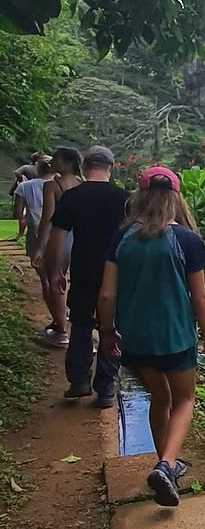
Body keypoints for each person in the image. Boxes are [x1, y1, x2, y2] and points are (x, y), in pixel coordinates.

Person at [98, 166, 205, 507]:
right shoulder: (187, 240)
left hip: (135, 341)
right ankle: (167, 464)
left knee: (159, 397)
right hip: (176, 339)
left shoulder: (122, 238)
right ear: (176, 198)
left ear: (140, 197)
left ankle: (166, 461)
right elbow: (200, 297)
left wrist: (107, 332)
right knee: (184, 400)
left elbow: (106, 295)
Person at [44, 145, 129, 408]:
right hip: (116, 273)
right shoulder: (124, 199)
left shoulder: (72, 196)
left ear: (85, 167)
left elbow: (56, 238)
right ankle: (105, 388)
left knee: (81, 324)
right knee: (112, 326)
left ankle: (79, 380)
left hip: (82, 270)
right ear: (111, 168)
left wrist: (56, 271)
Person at [33, 147, 82, 347]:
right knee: (74, 282)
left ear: (67, 163)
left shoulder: (52, 186)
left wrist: (40, 248)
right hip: (80, 237)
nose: (52, 162)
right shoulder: (83, 183)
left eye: (57, 159)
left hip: (60, 237)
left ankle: (61, 330)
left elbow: (47, 219)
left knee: (56, 281)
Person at [12, 155, 63, 329]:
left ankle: (57, 320)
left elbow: (17, 214)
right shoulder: (62, 186)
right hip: (59, 238)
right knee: (60, 278)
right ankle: (61, 320)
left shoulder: (24, 187)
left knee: (46, 280)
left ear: (37, 169)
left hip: (35, 237)